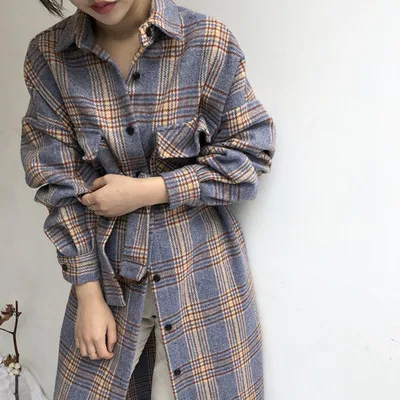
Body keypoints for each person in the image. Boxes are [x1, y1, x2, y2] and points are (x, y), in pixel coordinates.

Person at [19, 0, 276, 398]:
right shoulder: (51, 56)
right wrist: (88, 293)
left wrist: (147, 191)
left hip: (202, 281)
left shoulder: (206, 41)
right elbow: (57, 181)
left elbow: (250, 154)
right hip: (110, 284)